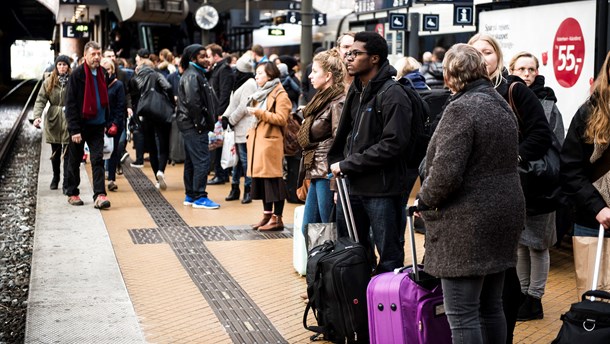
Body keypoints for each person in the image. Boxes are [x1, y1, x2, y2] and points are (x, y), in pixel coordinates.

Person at [417, 43, 525, 344]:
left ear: (450, 76)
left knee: (462, 313)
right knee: (491, 306)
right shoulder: (499, 103)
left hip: (468, 223)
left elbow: (446, 172)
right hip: (503, 213)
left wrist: (423, 200)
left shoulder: (461, 108)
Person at [469, 33, 553, 343]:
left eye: (488, 52)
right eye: (475, 52)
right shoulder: (461, 93)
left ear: (498, 56)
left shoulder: (513, 89)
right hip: (473, 200)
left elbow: (541, 134)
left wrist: (512, 157)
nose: (482, 58)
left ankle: (505, 332)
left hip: (506, 192)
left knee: (503, 271)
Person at [327, 31, 410, 274]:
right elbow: (346, 136)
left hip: (381, 190)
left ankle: (386, 307)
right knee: (353, 252)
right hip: (351, 186)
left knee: (389, 255)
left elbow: (394, 144)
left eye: (355, 53)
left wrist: (348, 164)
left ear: (374, 58)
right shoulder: (357, 90)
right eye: (348, 53)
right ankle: (358, 305)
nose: (348, 58)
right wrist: (339, 164)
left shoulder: (393, 94)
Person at [509, 51, 565, 321]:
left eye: (531, 69)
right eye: (522, 69)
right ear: (512, 70)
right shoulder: (508, 97)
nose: (527, 74)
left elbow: (555, 143)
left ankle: (535, 298)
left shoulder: (549, 103)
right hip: (516, 183)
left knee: (539, 245)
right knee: (520, 242)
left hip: (541, 183)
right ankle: (522, 294)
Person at [560, 51, 610, 293]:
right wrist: (598, 208)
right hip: (593, 219)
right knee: (594, 295)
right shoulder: (589, 112)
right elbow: (570, 168)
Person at [298, 48, 346, 232]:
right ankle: (317, 261)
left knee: (328, 228)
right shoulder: (321, 100)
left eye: (314, 71)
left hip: (327, 173)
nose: (310, 76)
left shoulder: (337, 102)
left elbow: (340, 143)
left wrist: (335, 184)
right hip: (317, 170)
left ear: (327, 76)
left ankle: (331, 261)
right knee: (310, 228)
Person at [64, 41, 111, 209]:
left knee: (97, 159)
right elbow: (70, 104)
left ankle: (100, 195)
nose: (97, 57)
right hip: (80, 126)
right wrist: (74, 129)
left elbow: (106, 99)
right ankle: (73, 192)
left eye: (99, 54)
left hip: (97, 125)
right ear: (85, 56)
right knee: (75, 160)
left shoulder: (103, 73)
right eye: (93, 54)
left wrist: (108, 121)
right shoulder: (77, 75)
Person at [247, 62, 291, 231]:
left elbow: (282, 118)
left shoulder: (280, 93)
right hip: (260, 143)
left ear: (270, 75)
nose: (256, 76)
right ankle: (266, 215)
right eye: (256, 73)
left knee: (273, 182)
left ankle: (277, 218)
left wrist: (259, 113)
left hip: (270, 144)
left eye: (260, 73)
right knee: (263, 182)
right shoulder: (262, 93)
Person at [176, 44, 220, 209]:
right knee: (202, 160)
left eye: (206, 56)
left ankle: (191, 194)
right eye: (202, 57)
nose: (207, 60)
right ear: (193, 58)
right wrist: (201, 124)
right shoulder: (193, 76)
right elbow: (194, 103)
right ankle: (200, 196)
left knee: (191, 161)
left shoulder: (195, 74)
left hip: (190, 125)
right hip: (194, 126)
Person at [221, 53, 257, 204]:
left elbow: (243, 107)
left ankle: (247, 190)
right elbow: (233, 103)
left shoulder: (249, 83)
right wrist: (225, 116)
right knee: (236, 160)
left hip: (244, 128)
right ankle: (235, 188)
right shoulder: (240, 83)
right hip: (236, 128)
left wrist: (231, 120)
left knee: (245, 161)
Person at [133, 59, 175, 190]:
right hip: (160, 112)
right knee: (163, 145)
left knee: (151, 147)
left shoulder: (136, 79)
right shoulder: (157, 75)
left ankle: (157, 179)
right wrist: (171, 102)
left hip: (145, 115)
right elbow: (168, 87)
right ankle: (161, 171)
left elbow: (134, 99)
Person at [32, 55, 71, 190]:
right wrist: (37, 116)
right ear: (56, 66)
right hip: (53, 119)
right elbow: (40, 100)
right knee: (55, 153)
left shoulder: (73, 81)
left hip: (69, 119)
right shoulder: (48, 82)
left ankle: (67, 182)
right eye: (59, 64)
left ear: (68, 67)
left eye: (64, 65)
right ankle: (56, 177)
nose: (62, 67)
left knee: (67, 153)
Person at [206, 43, 235, 185]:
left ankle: (221, 174)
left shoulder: (224, 69)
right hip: (218, 111)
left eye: (209, 56)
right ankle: (220, 173)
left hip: (221, 113)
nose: (207, 58)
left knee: (220, 144)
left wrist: (221, 113)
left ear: (216, 56)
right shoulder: (218, 69)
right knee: (218, 144)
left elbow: (224, 93)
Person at [100, 57, 126, 192]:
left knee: (113, 151)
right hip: (99, 123)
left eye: (108, 69)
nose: (106, 72)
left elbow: (121, 106)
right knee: (99, 152)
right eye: (103, 69)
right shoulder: (98, 84)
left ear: (113, 70)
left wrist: (115, 123)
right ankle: (99, 179)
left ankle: (111, 179)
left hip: (114, 123)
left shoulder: (118, 85)